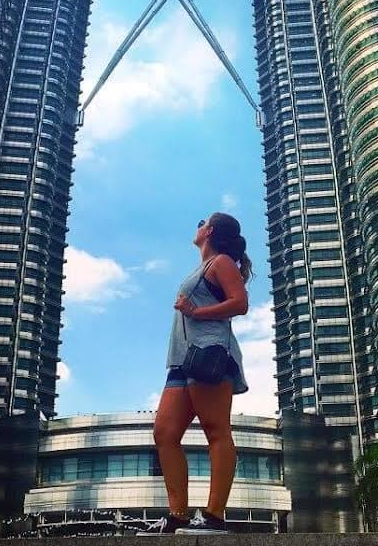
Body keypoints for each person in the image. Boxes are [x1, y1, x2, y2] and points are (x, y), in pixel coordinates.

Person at [143, 212, 253, 535]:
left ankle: (214, 515)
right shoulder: (203, 267)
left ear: (211, 231)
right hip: (181, 359)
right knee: (164, 432)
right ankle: (177, 515)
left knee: (216, 429)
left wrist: (197, 312)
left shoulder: (221, 262)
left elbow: (240, 303)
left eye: (201, 222)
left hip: (210, 355)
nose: (198, 225)